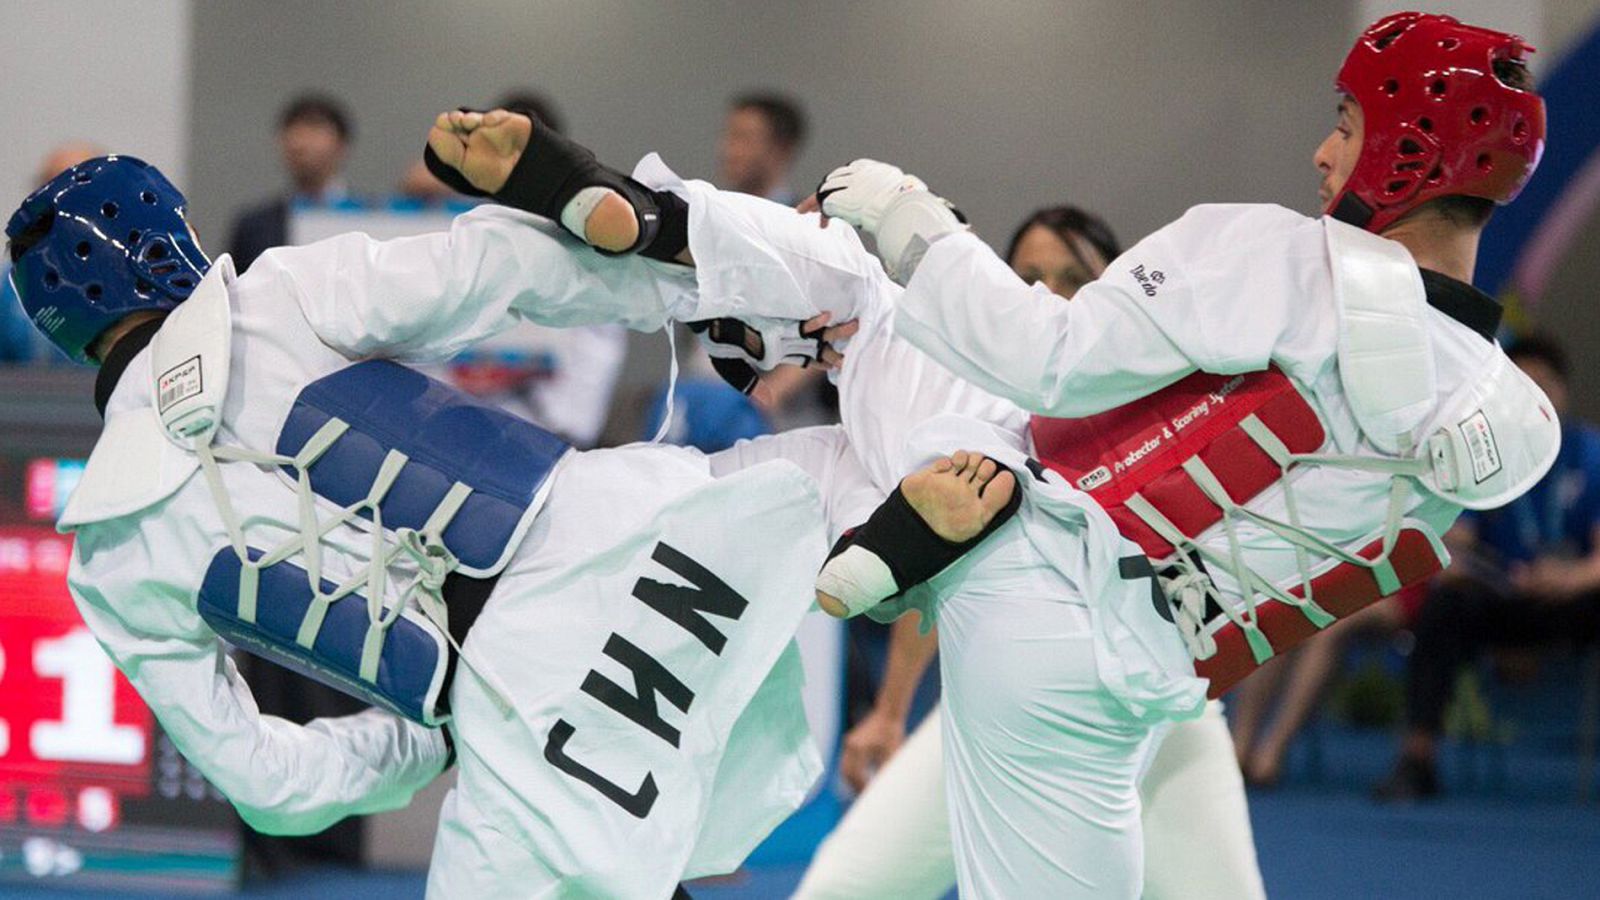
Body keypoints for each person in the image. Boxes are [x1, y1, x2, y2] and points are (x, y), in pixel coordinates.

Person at [486, 12, 1557, 895]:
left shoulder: (1274, 254)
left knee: (865, 285)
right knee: (810, 451)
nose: (1325, 150)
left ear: (1411, 140)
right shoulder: (1505, 423)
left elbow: (1046, 356)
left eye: (1345, 121)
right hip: (1153, 663)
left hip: (1038, 566)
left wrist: (908, 214)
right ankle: (838, 462)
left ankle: (677, 234)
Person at [7, 150, 1012, 897]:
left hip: (517, 717)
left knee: (578, 849)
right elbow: (501, 272)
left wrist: (436, 743)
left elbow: (271, 785)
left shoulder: (110, 552)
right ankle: (933, 490)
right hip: (633, 540)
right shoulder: (273, 297)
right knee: (856, 428)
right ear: (162, 244)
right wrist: (684, 269)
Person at [793, 204, 1266, 900]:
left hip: (1165, 702)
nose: (1048, 294)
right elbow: (946, 568)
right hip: (1016, 703)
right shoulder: (989, 410)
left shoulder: (1169, 392)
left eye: (1074, 277)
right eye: (1029, 276)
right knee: (845, 888)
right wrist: (892, 708)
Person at [1376, 334, 1600, 800]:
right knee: (1444, 605)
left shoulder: (1591, 454)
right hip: (1497, 592)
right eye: (1523, 383)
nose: (1537, 394)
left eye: (1546, 384)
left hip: (1570, 599)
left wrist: (1567, 578)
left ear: (1563, 391)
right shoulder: (1484, 456)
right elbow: (1458, 542)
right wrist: (1454, 563)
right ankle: (1417, 759)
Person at [0, 141, 103, 364]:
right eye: (53, 188)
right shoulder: (10, 288)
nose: (65, 203)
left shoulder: (134, 280)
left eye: (81, 189)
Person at [226, 94, 355, 271]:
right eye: (294, 131)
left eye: (314, 129)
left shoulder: (367, 219)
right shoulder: (253, 226)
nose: (301, 143)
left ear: (341, 144)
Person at [716, 92, 807, 204]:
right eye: (730, 137)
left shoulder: (806, 219)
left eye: (744, 138)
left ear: (782, 148)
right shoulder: (713, 216)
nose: (730, 151)